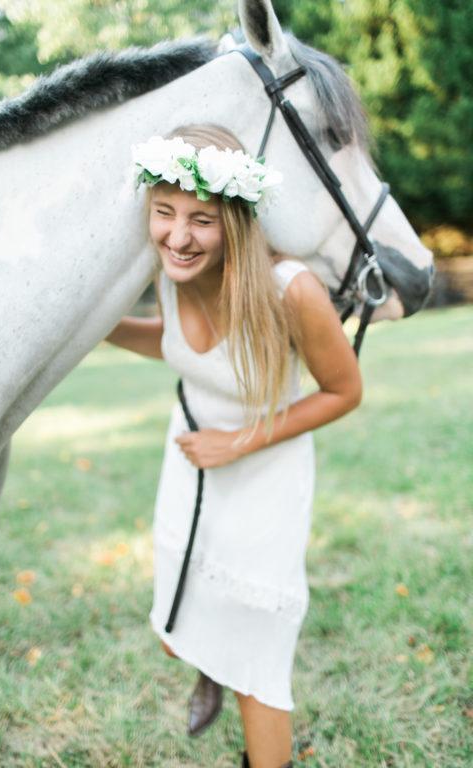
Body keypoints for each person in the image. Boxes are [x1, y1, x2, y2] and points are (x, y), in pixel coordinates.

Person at [106, 125, 362, 768]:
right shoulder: (169, 273)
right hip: (189, 460)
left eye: (202, 220)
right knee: (178, 627)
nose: (178, 235)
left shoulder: (289, 290)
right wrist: (92, 326)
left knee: (257, 656)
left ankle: (241, 692)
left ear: (237, 222)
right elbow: (167, 342)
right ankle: (208, 666)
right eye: (163, 213)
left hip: (263, 473)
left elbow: (344, 390)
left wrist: (238, 443)